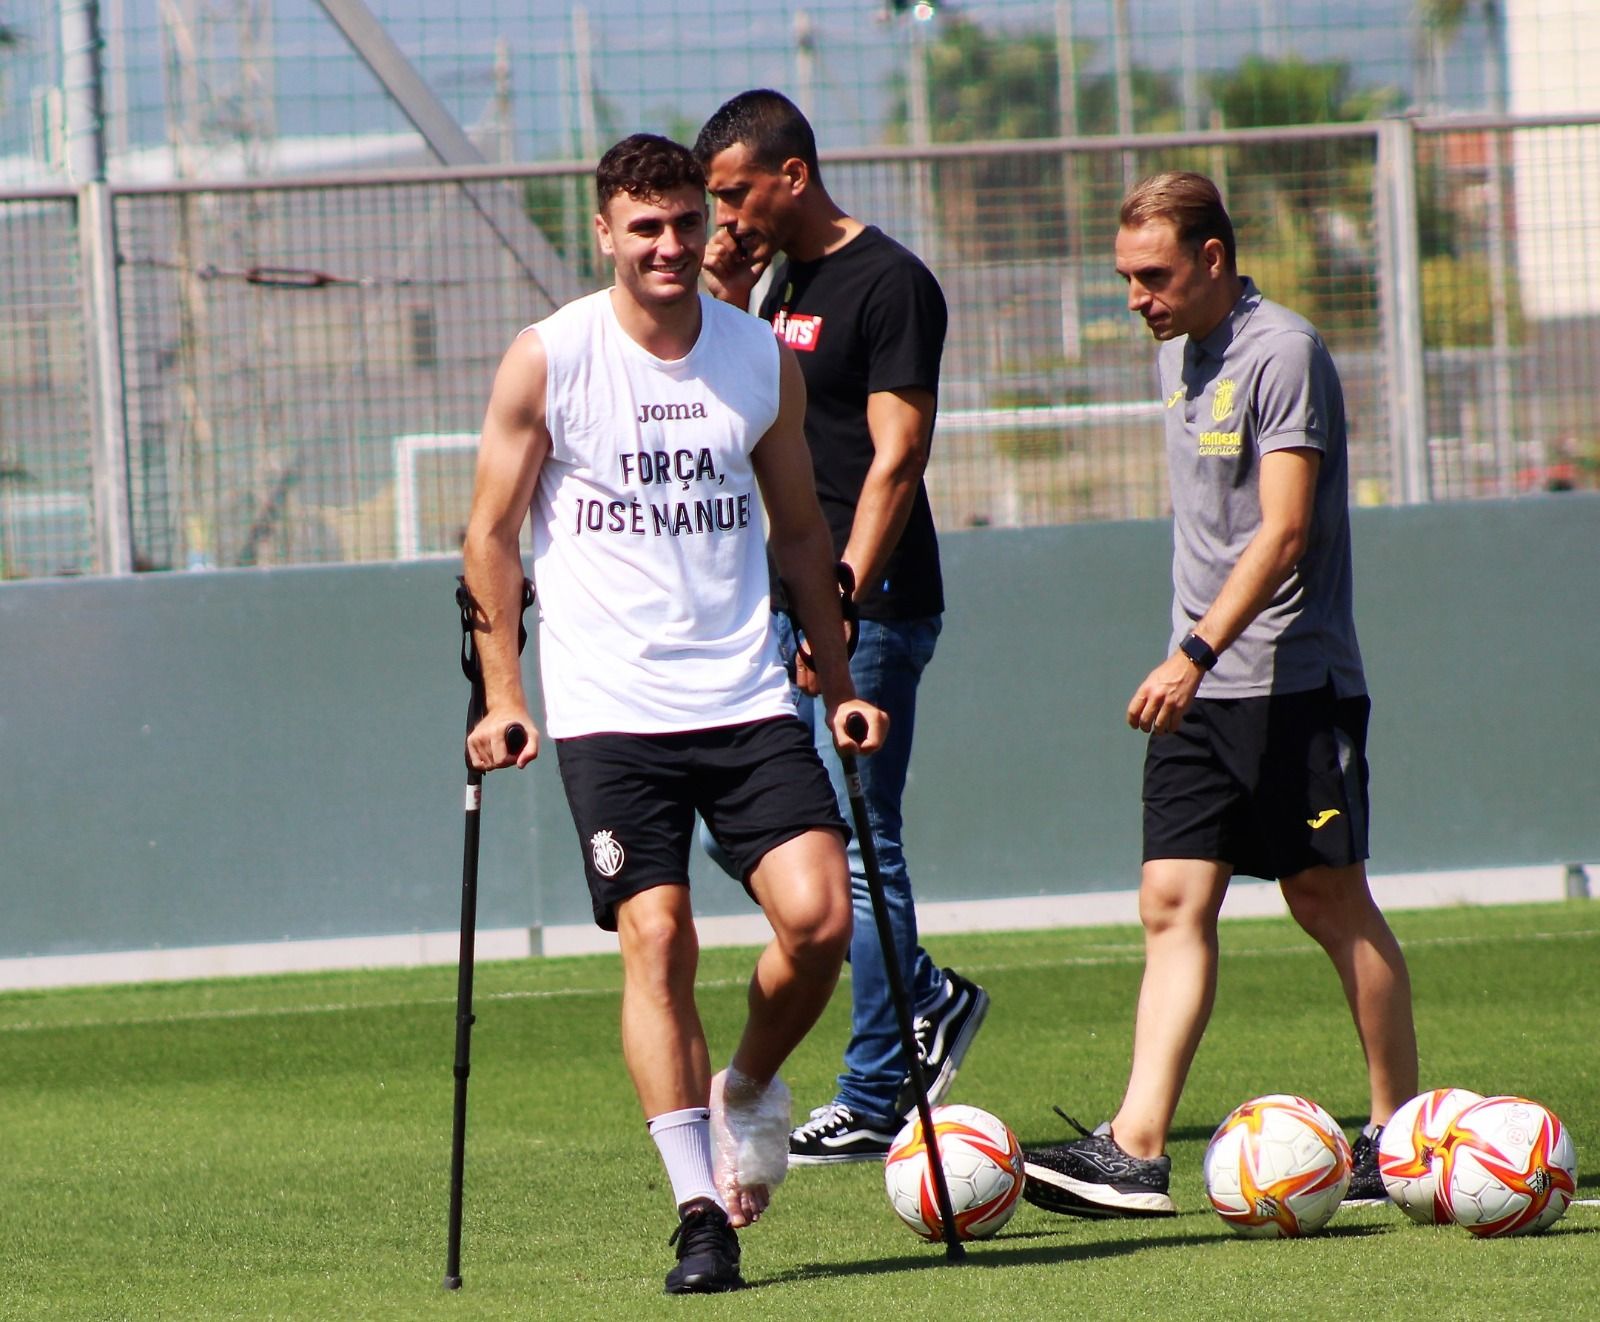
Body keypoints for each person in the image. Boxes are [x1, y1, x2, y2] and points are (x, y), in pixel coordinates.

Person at [461, 133, 887, 1295]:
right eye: (643, 227)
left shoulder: (757, 359)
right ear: (604, 231)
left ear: (711, 226)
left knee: (819, 922)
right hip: (607, 706)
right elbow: (491, 534)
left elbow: (801, 531)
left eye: (685, 223)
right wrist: (503, 694)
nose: (667, 245)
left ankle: (744, 1086)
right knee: (657, 936)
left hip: (745, 693)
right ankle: (700, 1209)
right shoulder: (550, 357)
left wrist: (841, 687)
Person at [1023, 171, 1419, 1218]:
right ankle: (1137, 1148)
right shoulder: (1180, 352)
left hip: (1289, 678)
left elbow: (1282, 530)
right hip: (1199, 683)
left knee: (1326, 899)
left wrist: (1192, 650)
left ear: (1211, 258)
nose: (1136, 298)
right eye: (1125, 278)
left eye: (1151, 276)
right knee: (1170, 901)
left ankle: (1398, 1132)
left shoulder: (1281, 350)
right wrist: (1189, 661)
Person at [691, 89, 988, 1165]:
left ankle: (874, 1086)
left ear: (792, 174)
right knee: (754, 834)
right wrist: (729, 287)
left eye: (731, 193)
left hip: (872, 607)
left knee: (861, 847)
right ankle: (925, 993)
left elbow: (896, 456)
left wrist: (845, 597)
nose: (719, 213)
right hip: (783, 608)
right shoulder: (779, 280)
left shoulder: (889, 282)